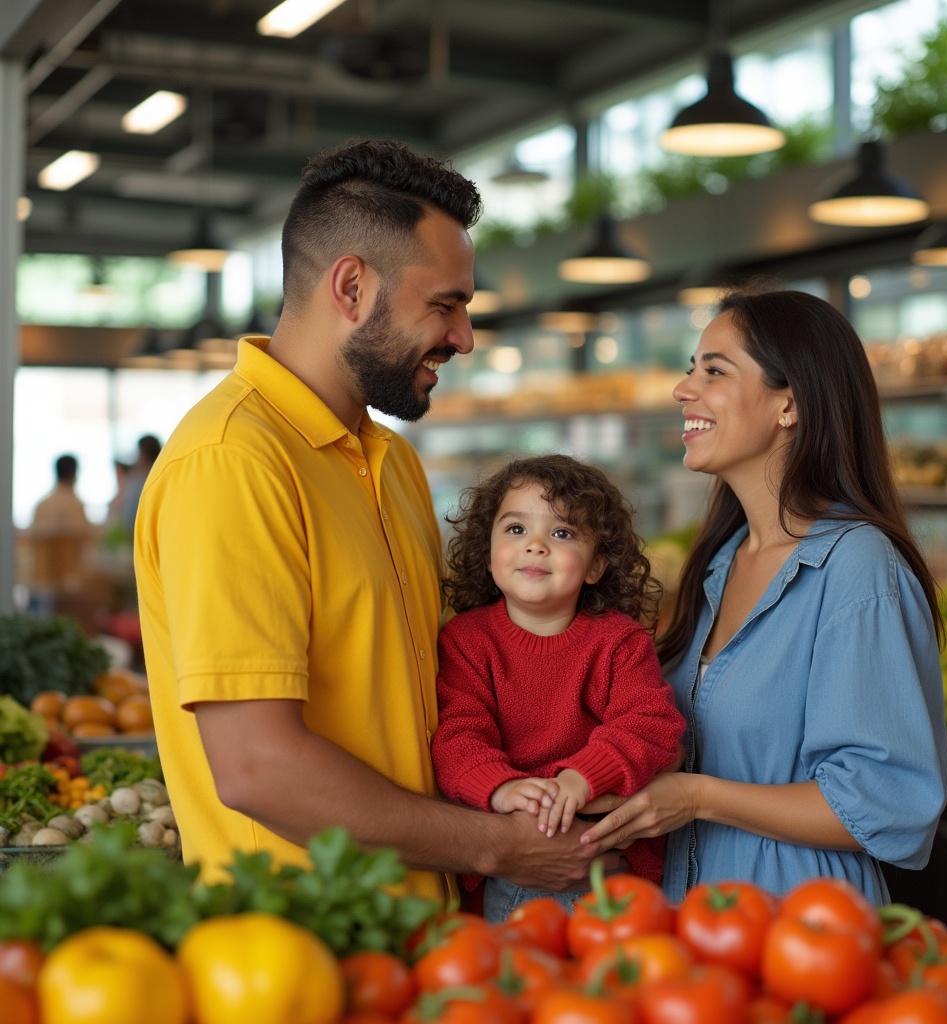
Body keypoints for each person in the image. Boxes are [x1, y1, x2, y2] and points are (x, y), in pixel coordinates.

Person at [134, 139, 608, 903]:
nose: (464, 337)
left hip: (422, 938)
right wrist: (498, 849)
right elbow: (260, 767)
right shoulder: (232, 462)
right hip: (306, 954)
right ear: (351, 287)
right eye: (445, 305)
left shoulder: (390, 460)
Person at [579, 288, 947, 906]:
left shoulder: (856, 566)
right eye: (690, 369)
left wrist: (696, 796)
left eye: (714, 371)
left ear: (790, 404)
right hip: (696, 922)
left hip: (803, 930)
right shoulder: (722, 562)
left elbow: (886, 803)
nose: (683, 389)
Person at [431, 454, 686, 921]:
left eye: (562, 533)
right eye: (514, 530)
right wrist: (501, 787)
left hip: (602, 852)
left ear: (595, 566)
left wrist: (581, 778)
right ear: (487, 555)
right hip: (509, 855)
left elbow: (651, 725)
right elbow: (457, 735)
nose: (536, 546)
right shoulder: (465, 641)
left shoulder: (620, 642)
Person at [26, 454, 95, 591]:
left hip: (41, 579)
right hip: (71, 582)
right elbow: (87, 544)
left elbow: (30, 539)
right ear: (74, 473)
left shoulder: (42, 506)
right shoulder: (76, 505)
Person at [120, 435, 162, 535]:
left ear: (143, 455)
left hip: (141, 534)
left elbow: (129, 517)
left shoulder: (138, 481)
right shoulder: (164, 475)